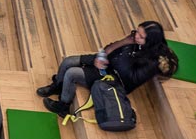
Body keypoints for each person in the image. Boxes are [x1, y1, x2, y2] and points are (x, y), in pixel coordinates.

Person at [37, 21, 178, 117]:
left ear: (150, 40)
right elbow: (110, 47)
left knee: (71, 73)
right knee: (68, 61)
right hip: (107, 62)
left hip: (114, 79)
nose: (136, 36)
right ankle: (57, 86)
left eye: (141, 36)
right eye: (137, 32)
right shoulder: (133, 40)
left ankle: (63, 106)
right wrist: (103, 56)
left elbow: (131, 79)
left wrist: (112, 59)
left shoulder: (151, 61)